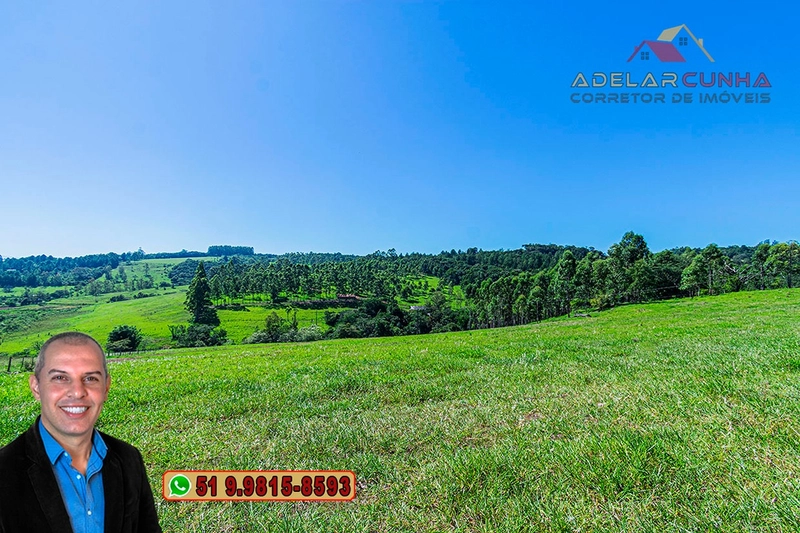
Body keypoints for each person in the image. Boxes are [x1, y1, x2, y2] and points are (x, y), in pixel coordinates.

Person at [0, 332, 161, 533]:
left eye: (90, 378)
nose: (77, 392)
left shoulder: (129, 458)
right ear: (36, 387)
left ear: (106, 387)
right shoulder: (4, 471)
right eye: (60, 378)